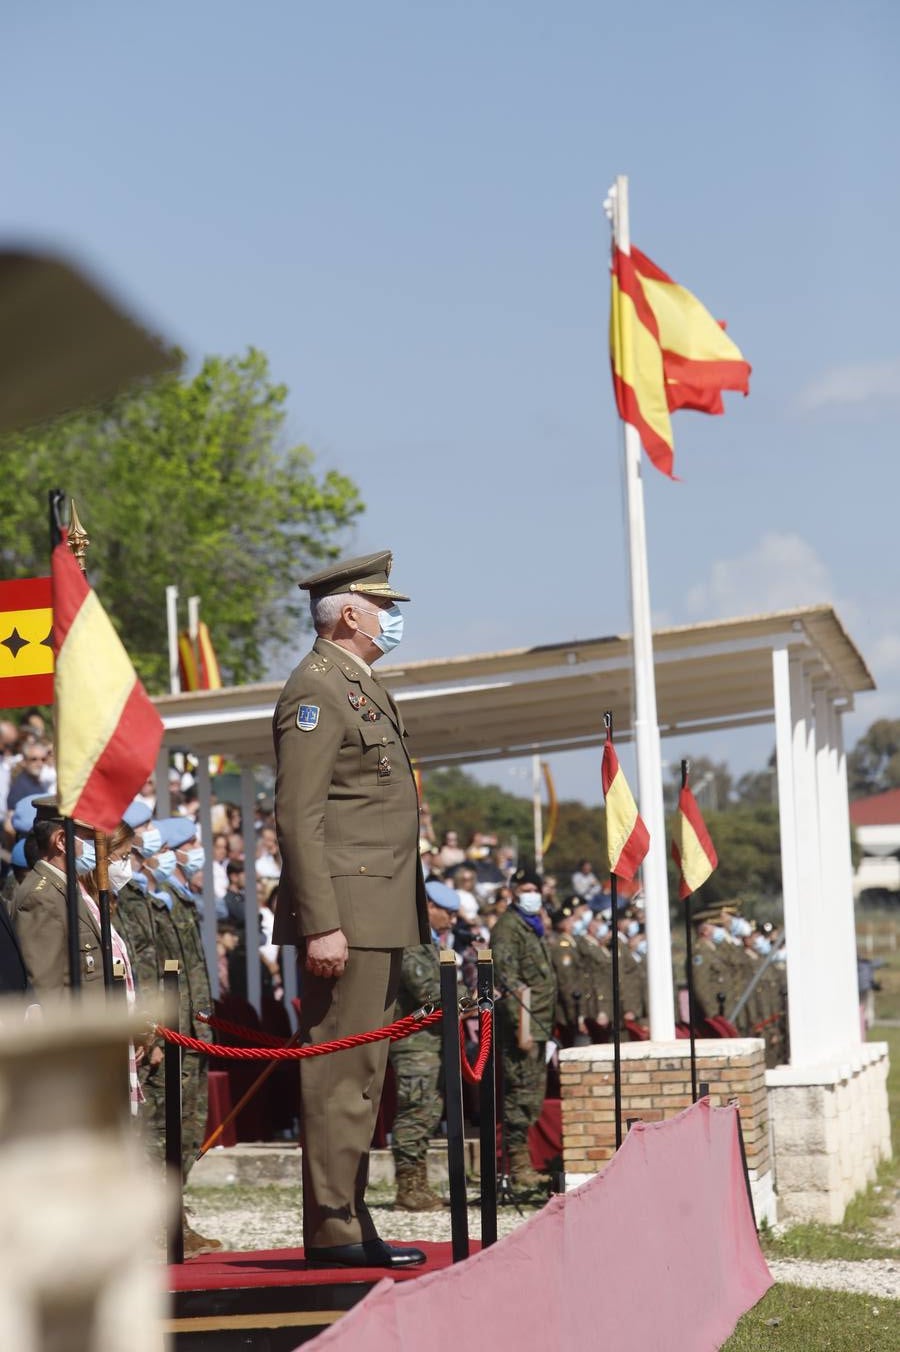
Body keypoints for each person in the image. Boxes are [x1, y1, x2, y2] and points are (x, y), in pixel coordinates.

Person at [272, 549, 429, 1270]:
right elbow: (298, 815)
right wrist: (322, 921)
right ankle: (333, 1230)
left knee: (363, 1077)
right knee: (340, 1076)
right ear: (353, 615)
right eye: (385, 608)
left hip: (378, 908)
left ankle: (350, 1218)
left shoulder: (355, 685)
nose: (394, 619)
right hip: (348, 913)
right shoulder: (317, 689)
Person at [389, 878, 460, 1210]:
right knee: (415, 1111)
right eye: (449, 913)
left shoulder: (429, 943)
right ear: (429, 907)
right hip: (413, 1044)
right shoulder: (411, 942)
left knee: (428, 1110)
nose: (453, 920)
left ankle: (419, 1183)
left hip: (430, 1042)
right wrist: (468, 1001)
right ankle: (408, 1186)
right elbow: (428, 989)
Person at [490, 865, 557, 1194]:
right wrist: (523, 1029)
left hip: (540, 1024)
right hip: (523, 1027)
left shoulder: (533, 926)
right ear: (515, 891)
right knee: (520, 1097)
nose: (532, 894)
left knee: (532, 1098)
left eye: (536, 888)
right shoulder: (509, 927)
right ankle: (516, 1168)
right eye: (526, 888)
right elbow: (508, 980)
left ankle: (524, 1165)